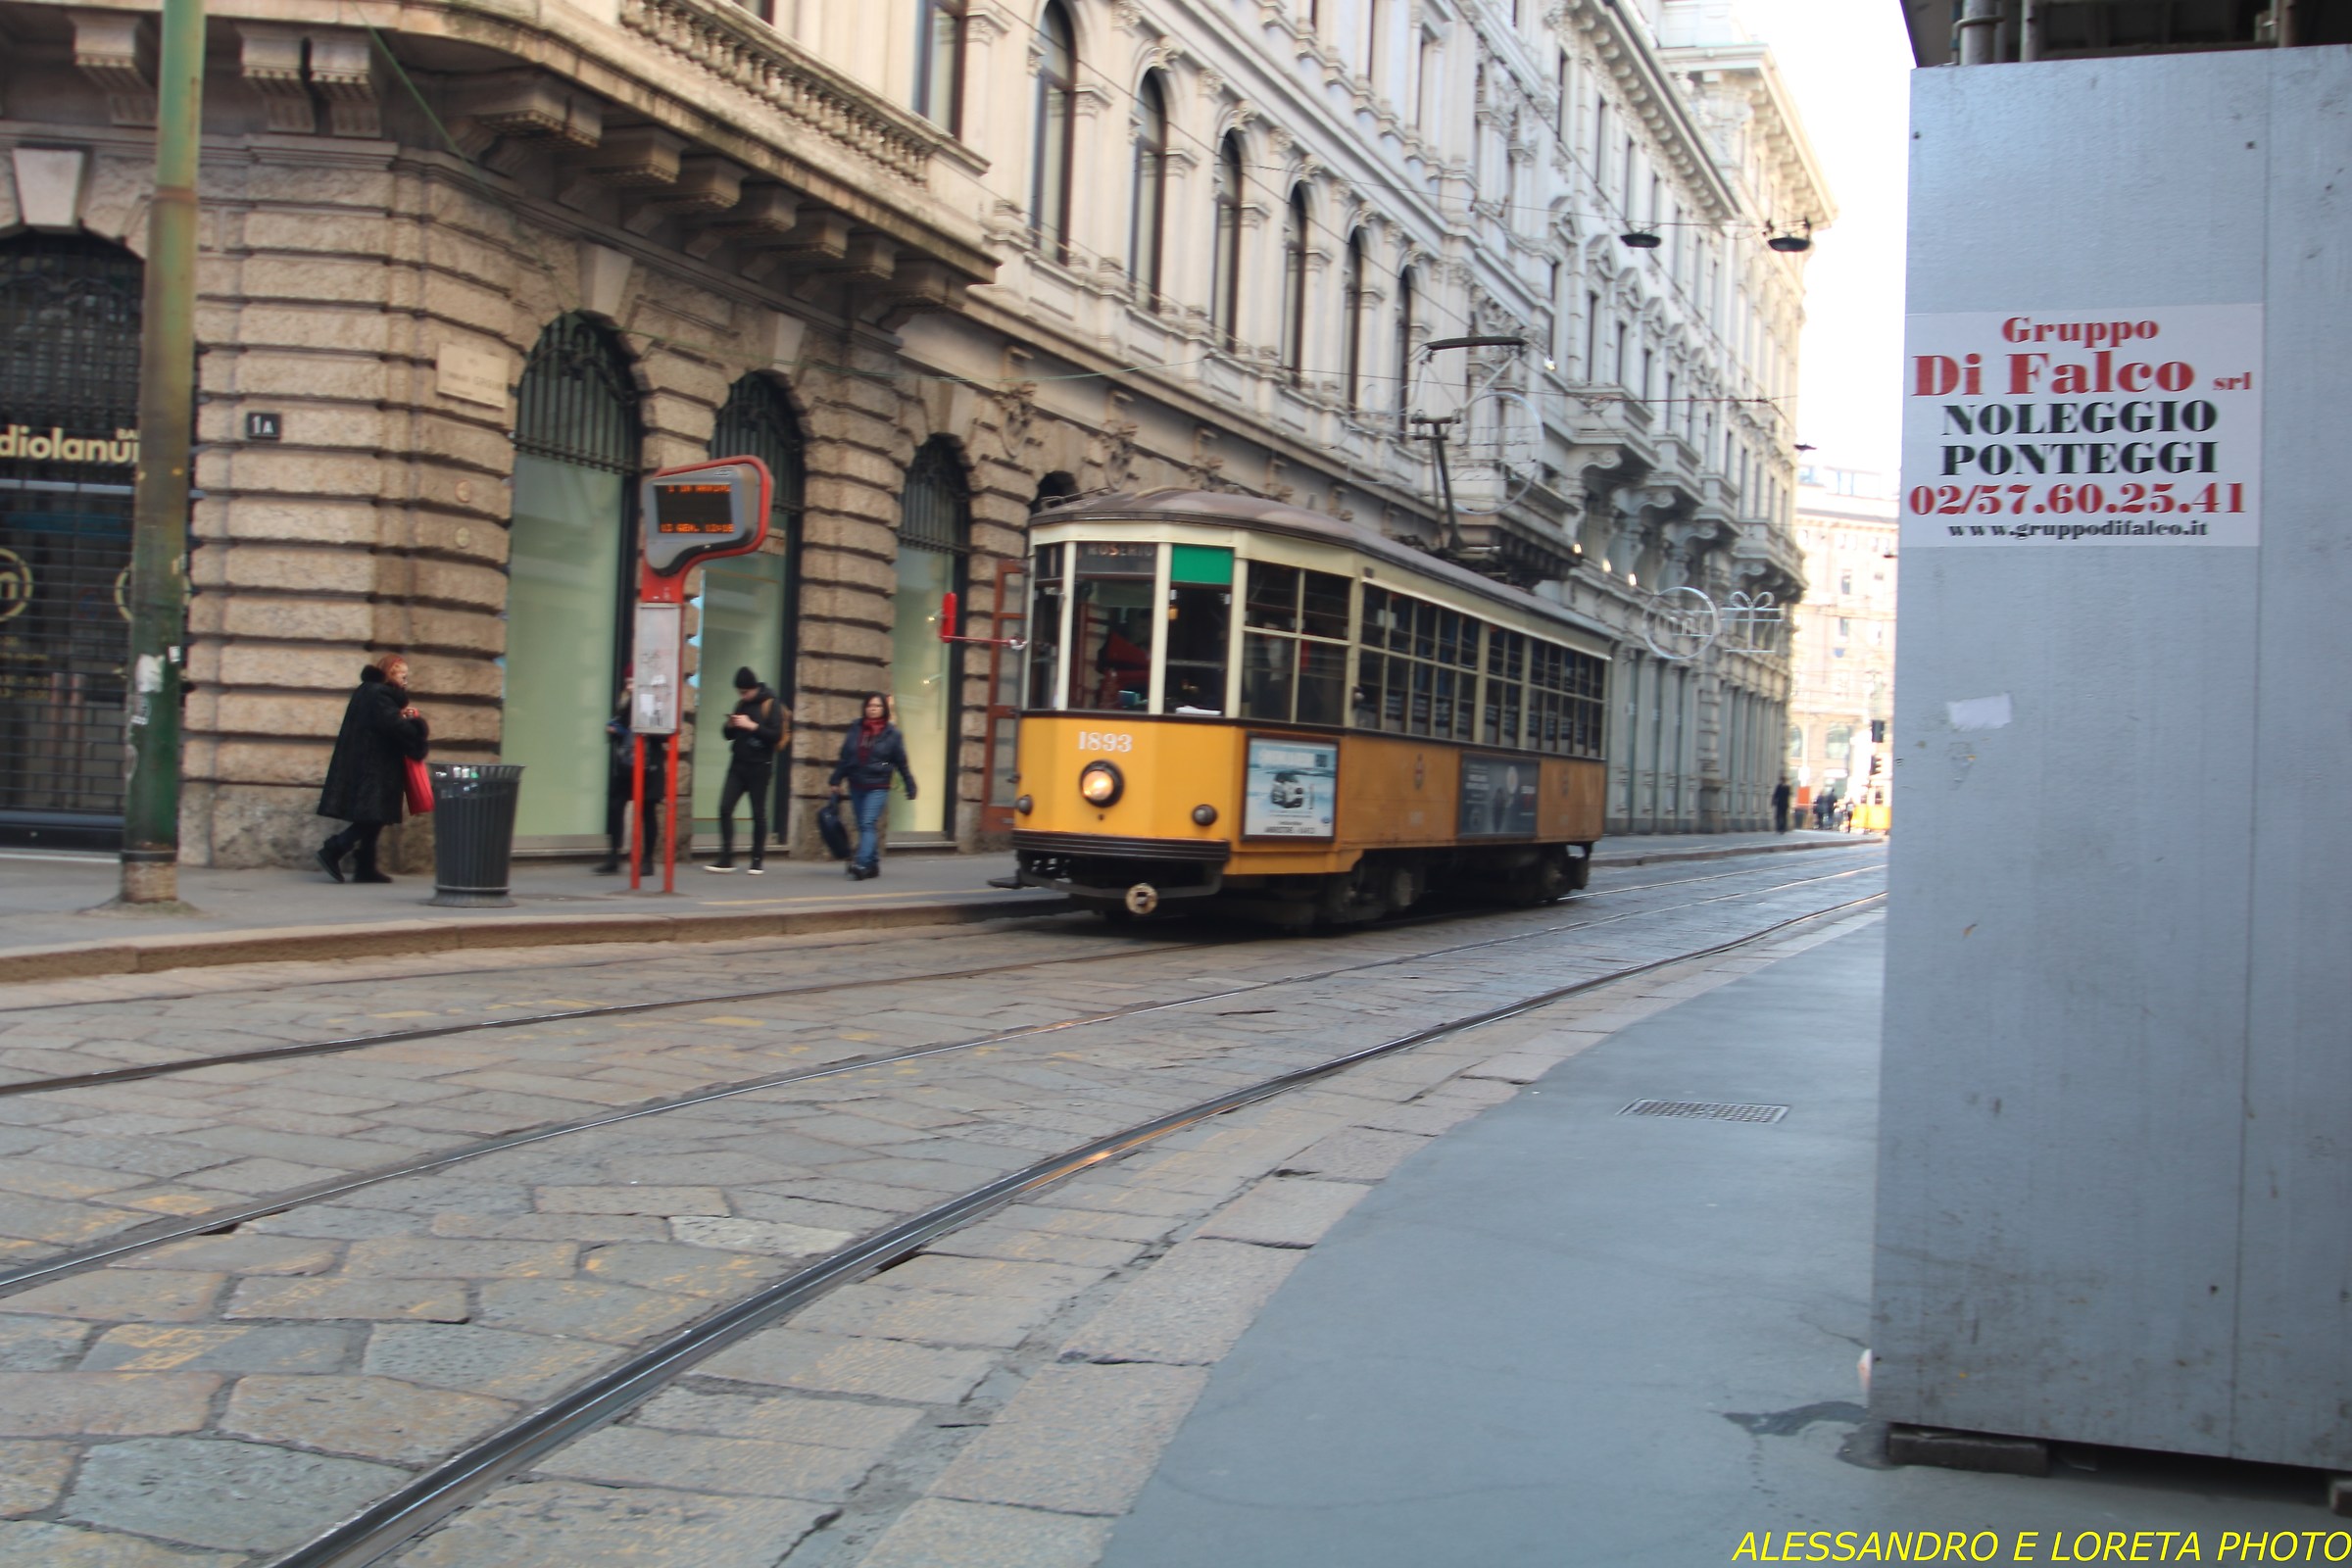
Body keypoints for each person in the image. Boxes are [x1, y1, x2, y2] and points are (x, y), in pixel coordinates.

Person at [317, 656, 429, 884]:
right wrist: (416, 727)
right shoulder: (380, 694)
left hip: (368, 762)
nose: (406, 681)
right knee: (373, 816)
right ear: (389, 673)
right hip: (375, 765)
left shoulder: (371, 692)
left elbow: (383, 722)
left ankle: (366, 867)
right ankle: (335, 848)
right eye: (402, 675)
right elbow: (392, 726)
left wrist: (401, 716)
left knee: (376, 815)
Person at [707, 666, 787, 874]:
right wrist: (732, 724)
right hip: (738, 764)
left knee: (758, 813)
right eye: (740, 692)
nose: (742, 695)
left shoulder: (770, 703)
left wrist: (752, 726)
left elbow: (776, 735)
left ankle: (757, 859)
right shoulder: (741, 704)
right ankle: (726, 857)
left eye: (745, 692)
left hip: (760, 766)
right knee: (725, 808)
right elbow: (727, 735)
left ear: (754, 688)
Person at [828, 693, 916, 881]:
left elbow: (901, 761)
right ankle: (873, 864)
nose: (873, 709)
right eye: (870, 706)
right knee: (863, 825)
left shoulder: (892, 734)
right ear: (865, 708)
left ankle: (861, 863)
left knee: (867, 823)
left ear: (884, 709)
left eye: (877, 706)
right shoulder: (856, 728)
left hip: (878, 784)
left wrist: (909, 783)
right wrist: (836, 780)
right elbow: (845, 756)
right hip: (856, 783)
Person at [595, 680, 665, 876]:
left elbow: (662, 735)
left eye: (633, 681)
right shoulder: (625, 701)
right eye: (627, 681)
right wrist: (615, 729)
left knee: (647, 811)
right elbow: (624, 727)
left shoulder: (653, 701)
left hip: (648, 765)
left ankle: (647, 859)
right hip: (627, 764)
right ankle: (613, 856)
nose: (629, 685)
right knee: (616, 806)